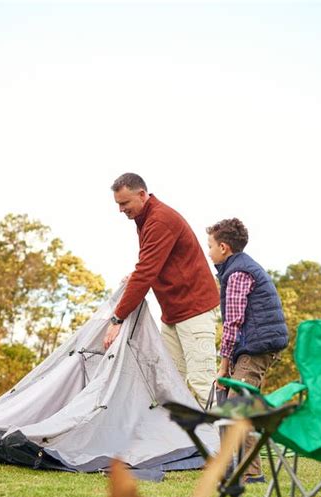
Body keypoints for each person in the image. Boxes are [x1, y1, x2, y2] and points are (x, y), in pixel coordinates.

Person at [103, 173, 219, 408]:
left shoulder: (160, 220)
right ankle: (182, 443)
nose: (121, 210)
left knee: (202, 383)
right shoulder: (144, 220)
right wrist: (135, 276)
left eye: (124, 203)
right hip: (173, 314)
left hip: (195, 310)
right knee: (168, 383)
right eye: (118, 204)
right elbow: (149, 265)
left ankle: (227, 444)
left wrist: (118, 318)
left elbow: (147, 271)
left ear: (142, 195)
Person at [206, 217, 288, 481]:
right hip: (254, 345)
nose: (208, 252)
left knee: (237, 407)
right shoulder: (240, 267)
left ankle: (247, 473)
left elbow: (233, 322)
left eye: (209, 246)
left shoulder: (238, 273)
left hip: (256, 347)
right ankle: (247, 471)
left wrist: (223, 365)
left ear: (223, 247)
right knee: (242, 406)